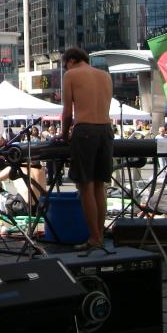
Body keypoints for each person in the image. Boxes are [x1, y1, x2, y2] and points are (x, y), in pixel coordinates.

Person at [60, 47, 113, 251]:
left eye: (65, 65)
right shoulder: (105, 75)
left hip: (85, 131)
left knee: (85, 186)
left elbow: (67, 113)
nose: (66, 68)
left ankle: (94, 238)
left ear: (71, 60)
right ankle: (100, 236)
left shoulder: (71, 75)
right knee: (100, 186)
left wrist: (63, 134)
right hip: (106, 130)